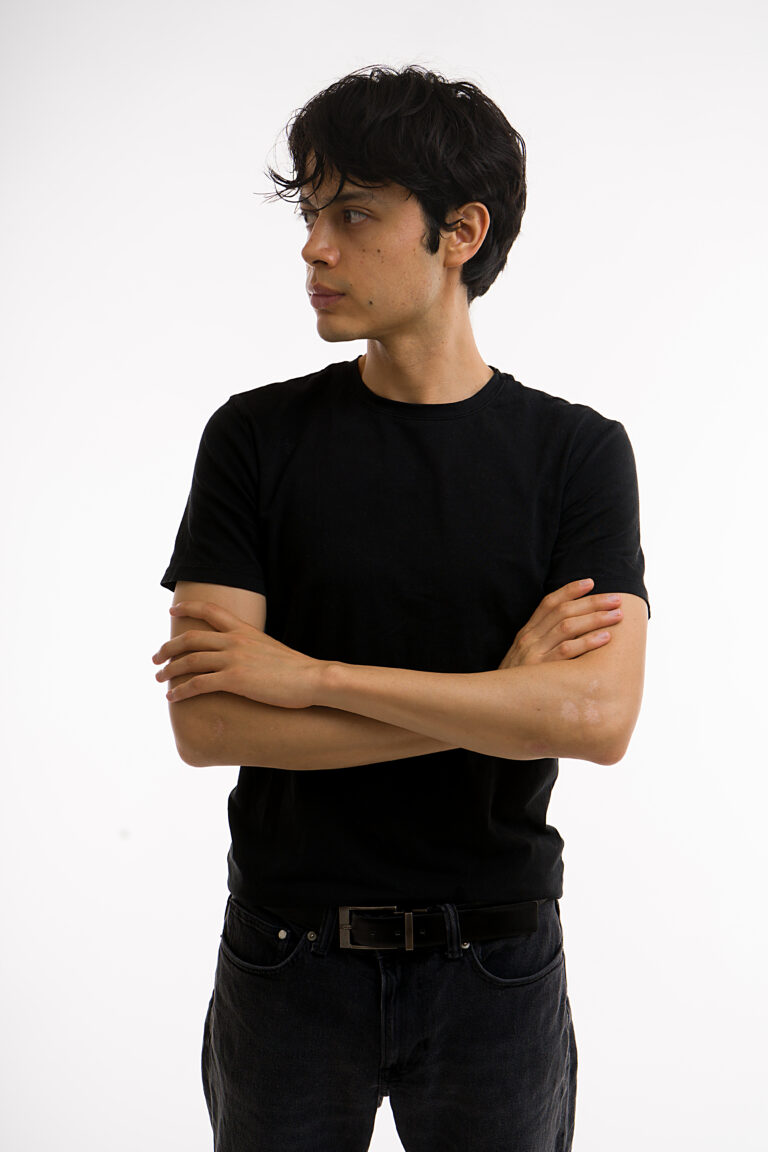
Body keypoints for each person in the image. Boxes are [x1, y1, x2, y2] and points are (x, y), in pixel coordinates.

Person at [153, 65, 649, 1152]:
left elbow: (597, 719)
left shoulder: (577, 454)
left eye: (353, 215)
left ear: (459, 233)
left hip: (497, 962)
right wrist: (501, 698)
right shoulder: (253, 439)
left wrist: (311, 679)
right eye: (311, 214)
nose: (313, 248)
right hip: (287, 953)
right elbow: (212, 723)